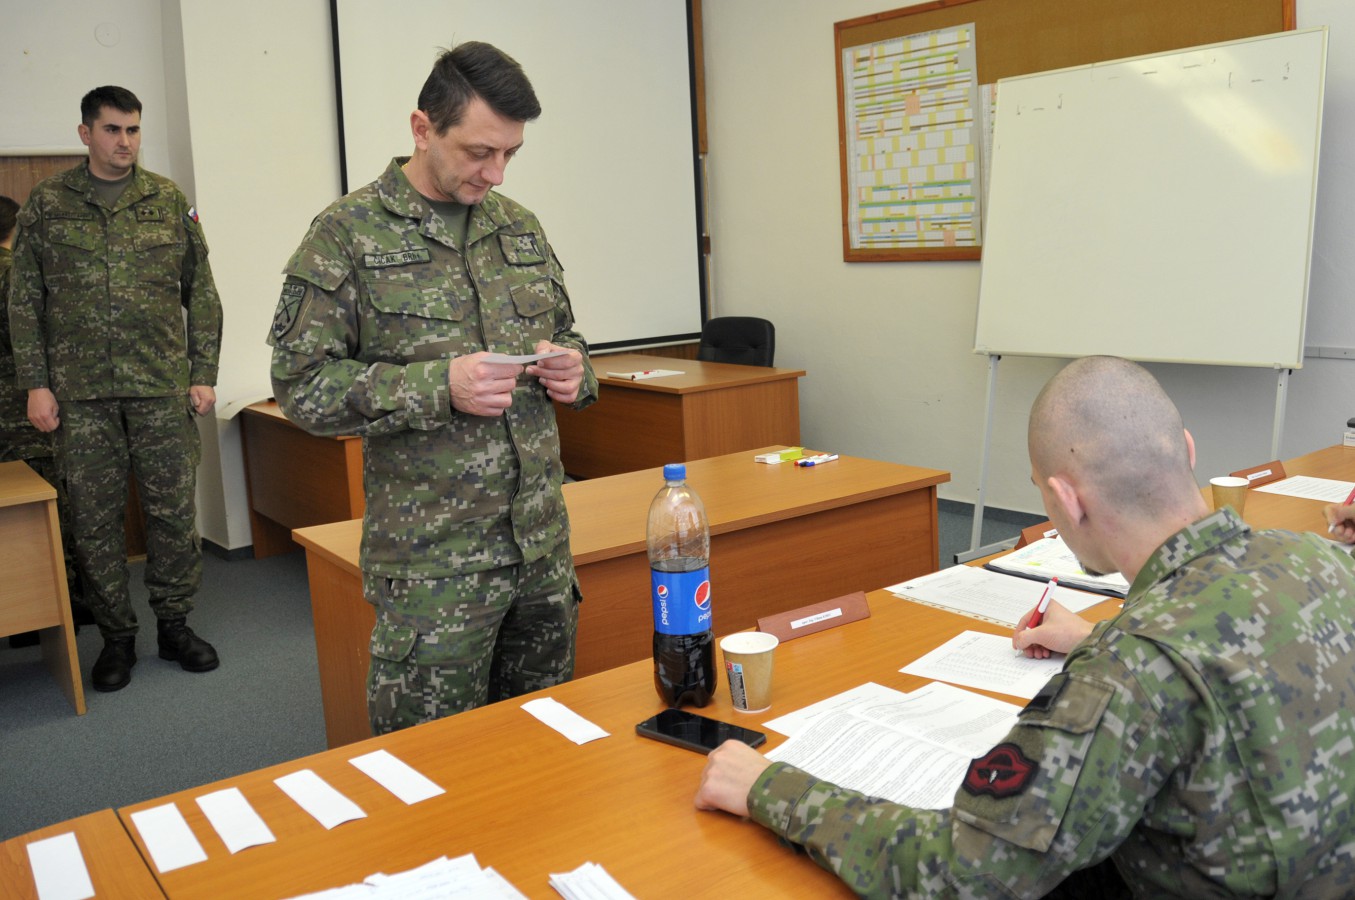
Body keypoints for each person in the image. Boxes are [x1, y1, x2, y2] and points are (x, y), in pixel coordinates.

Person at [695, 356, 1355, 898]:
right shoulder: (1321, 557)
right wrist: (1097, 641)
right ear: (1186, 449)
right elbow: (1229, 657)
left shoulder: (1126, 673)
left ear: (1066, 499)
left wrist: (771, 790)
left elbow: (964, 872)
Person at [268, 41, 597, 736]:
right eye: (479, 152)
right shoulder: (346, 235)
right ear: (423, 129)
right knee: (432, 768)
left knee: (542, 753)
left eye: (510, 154)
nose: (495, 172)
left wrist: (575, 368)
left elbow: (567, 334)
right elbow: (301, 386)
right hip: (435, 571)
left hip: (540, 553)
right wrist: (437, 385)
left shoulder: (518, 226)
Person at [8, 86, 222, 692]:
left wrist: (203, 371)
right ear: (86, 134)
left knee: (172, 514)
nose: (124, 141)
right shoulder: (49, 203)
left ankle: (175, 626)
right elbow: (24, 300)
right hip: (80, 397)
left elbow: (202, 291)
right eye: (111, 129)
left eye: (132, 130)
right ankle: (116, 638)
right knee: (94, 521)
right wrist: (35, 384)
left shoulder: (167, 199)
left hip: (160, 388)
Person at [0, 194, 89, 648]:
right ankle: (56, 611)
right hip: (23, 415)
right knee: (48, 516)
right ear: (17, 229)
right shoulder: (14, 274)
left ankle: (19, 617)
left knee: (12, 524)